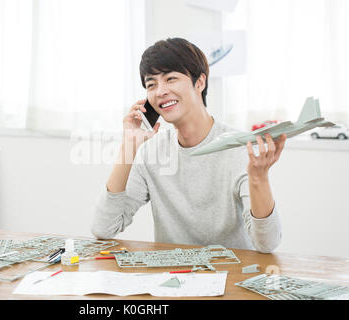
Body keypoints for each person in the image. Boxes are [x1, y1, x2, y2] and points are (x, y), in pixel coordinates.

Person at [91, 38, 287, 253]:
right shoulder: (150, 153)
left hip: (230, 275)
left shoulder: (239, 147)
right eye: (151, 84)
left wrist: (259, 178)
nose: (160, 91)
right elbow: (103, 229)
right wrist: (129, 145)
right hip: (172, 278)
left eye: (171, 79)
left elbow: (267, 244)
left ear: (200, 83)